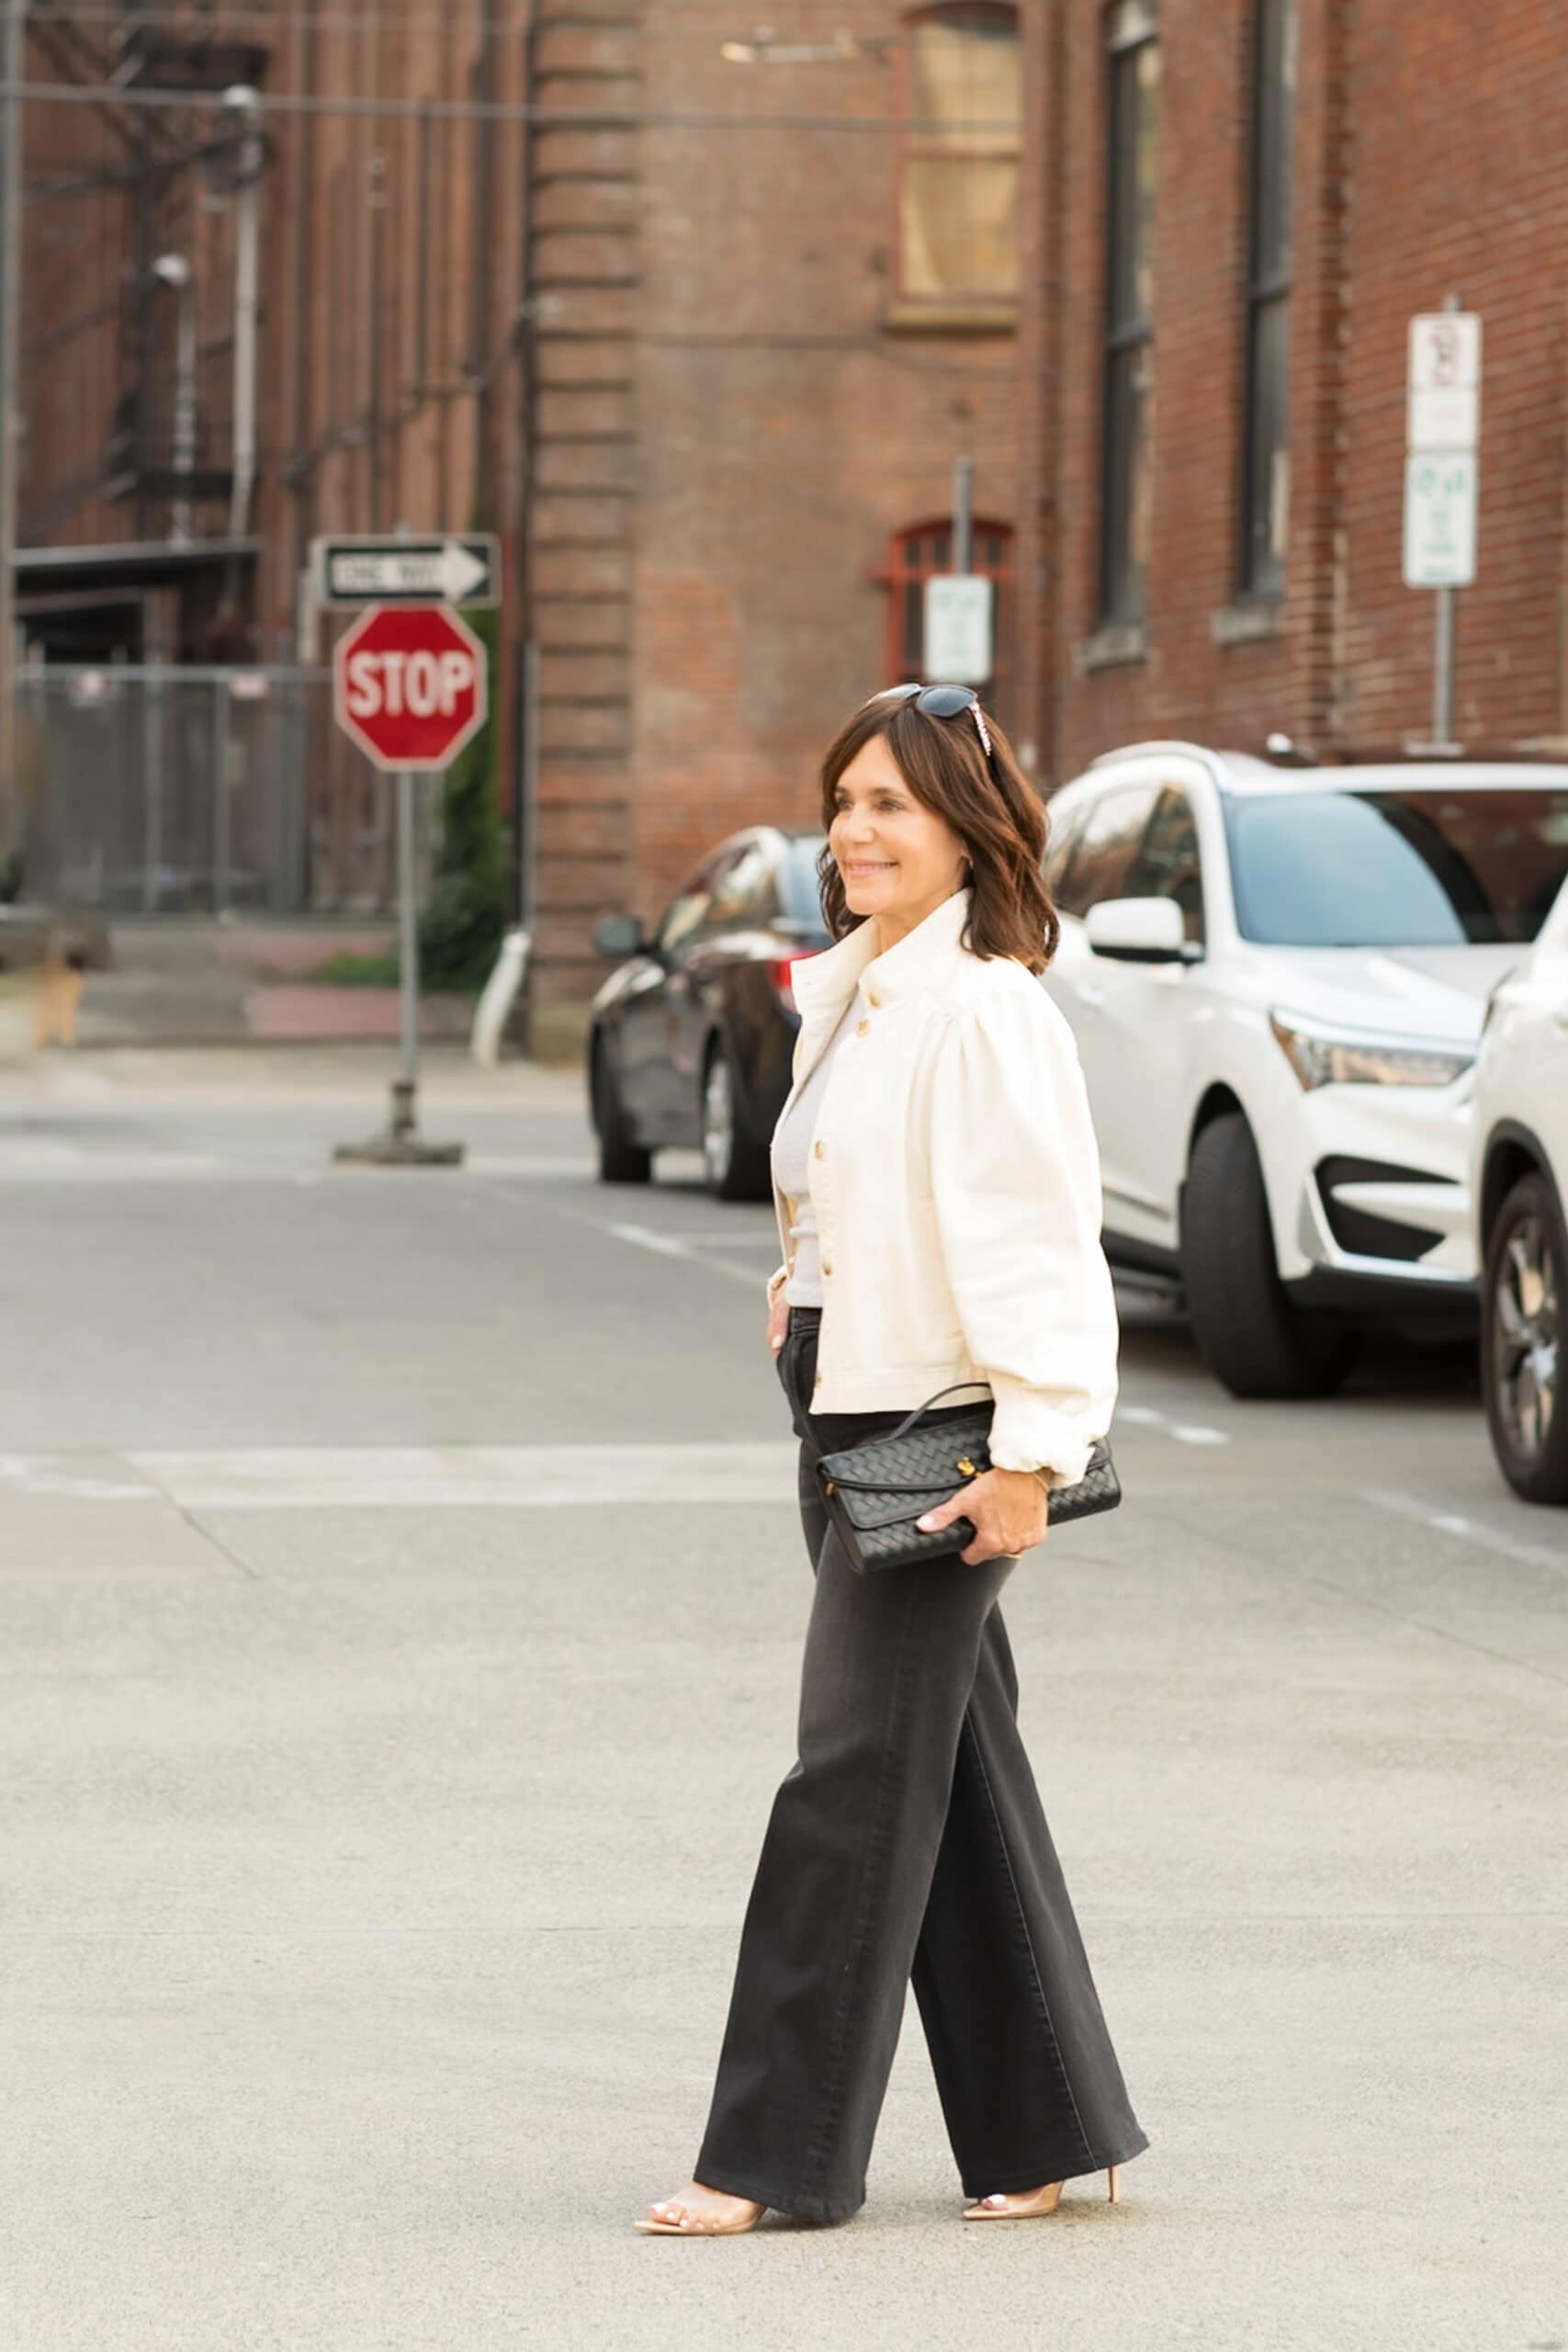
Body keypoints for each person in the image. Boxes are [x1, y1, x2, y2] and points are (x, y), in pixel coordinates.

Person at [637, 684, 1147, 2236]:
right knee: (953, 1768)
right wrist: (803, 1285)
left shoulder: (983, 1006)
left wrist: (1033, 1457)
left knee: (851, 1775)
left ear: (967, 832)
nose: (852, 832)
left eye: (890, 808)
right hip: (847, 1400)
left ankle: (771, 2155)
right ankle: (1050, 2121)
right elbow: (845, 1183)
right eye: (843, 801)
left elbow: (1044, 1245)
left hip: (945, 1435)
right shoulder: (860, 989)